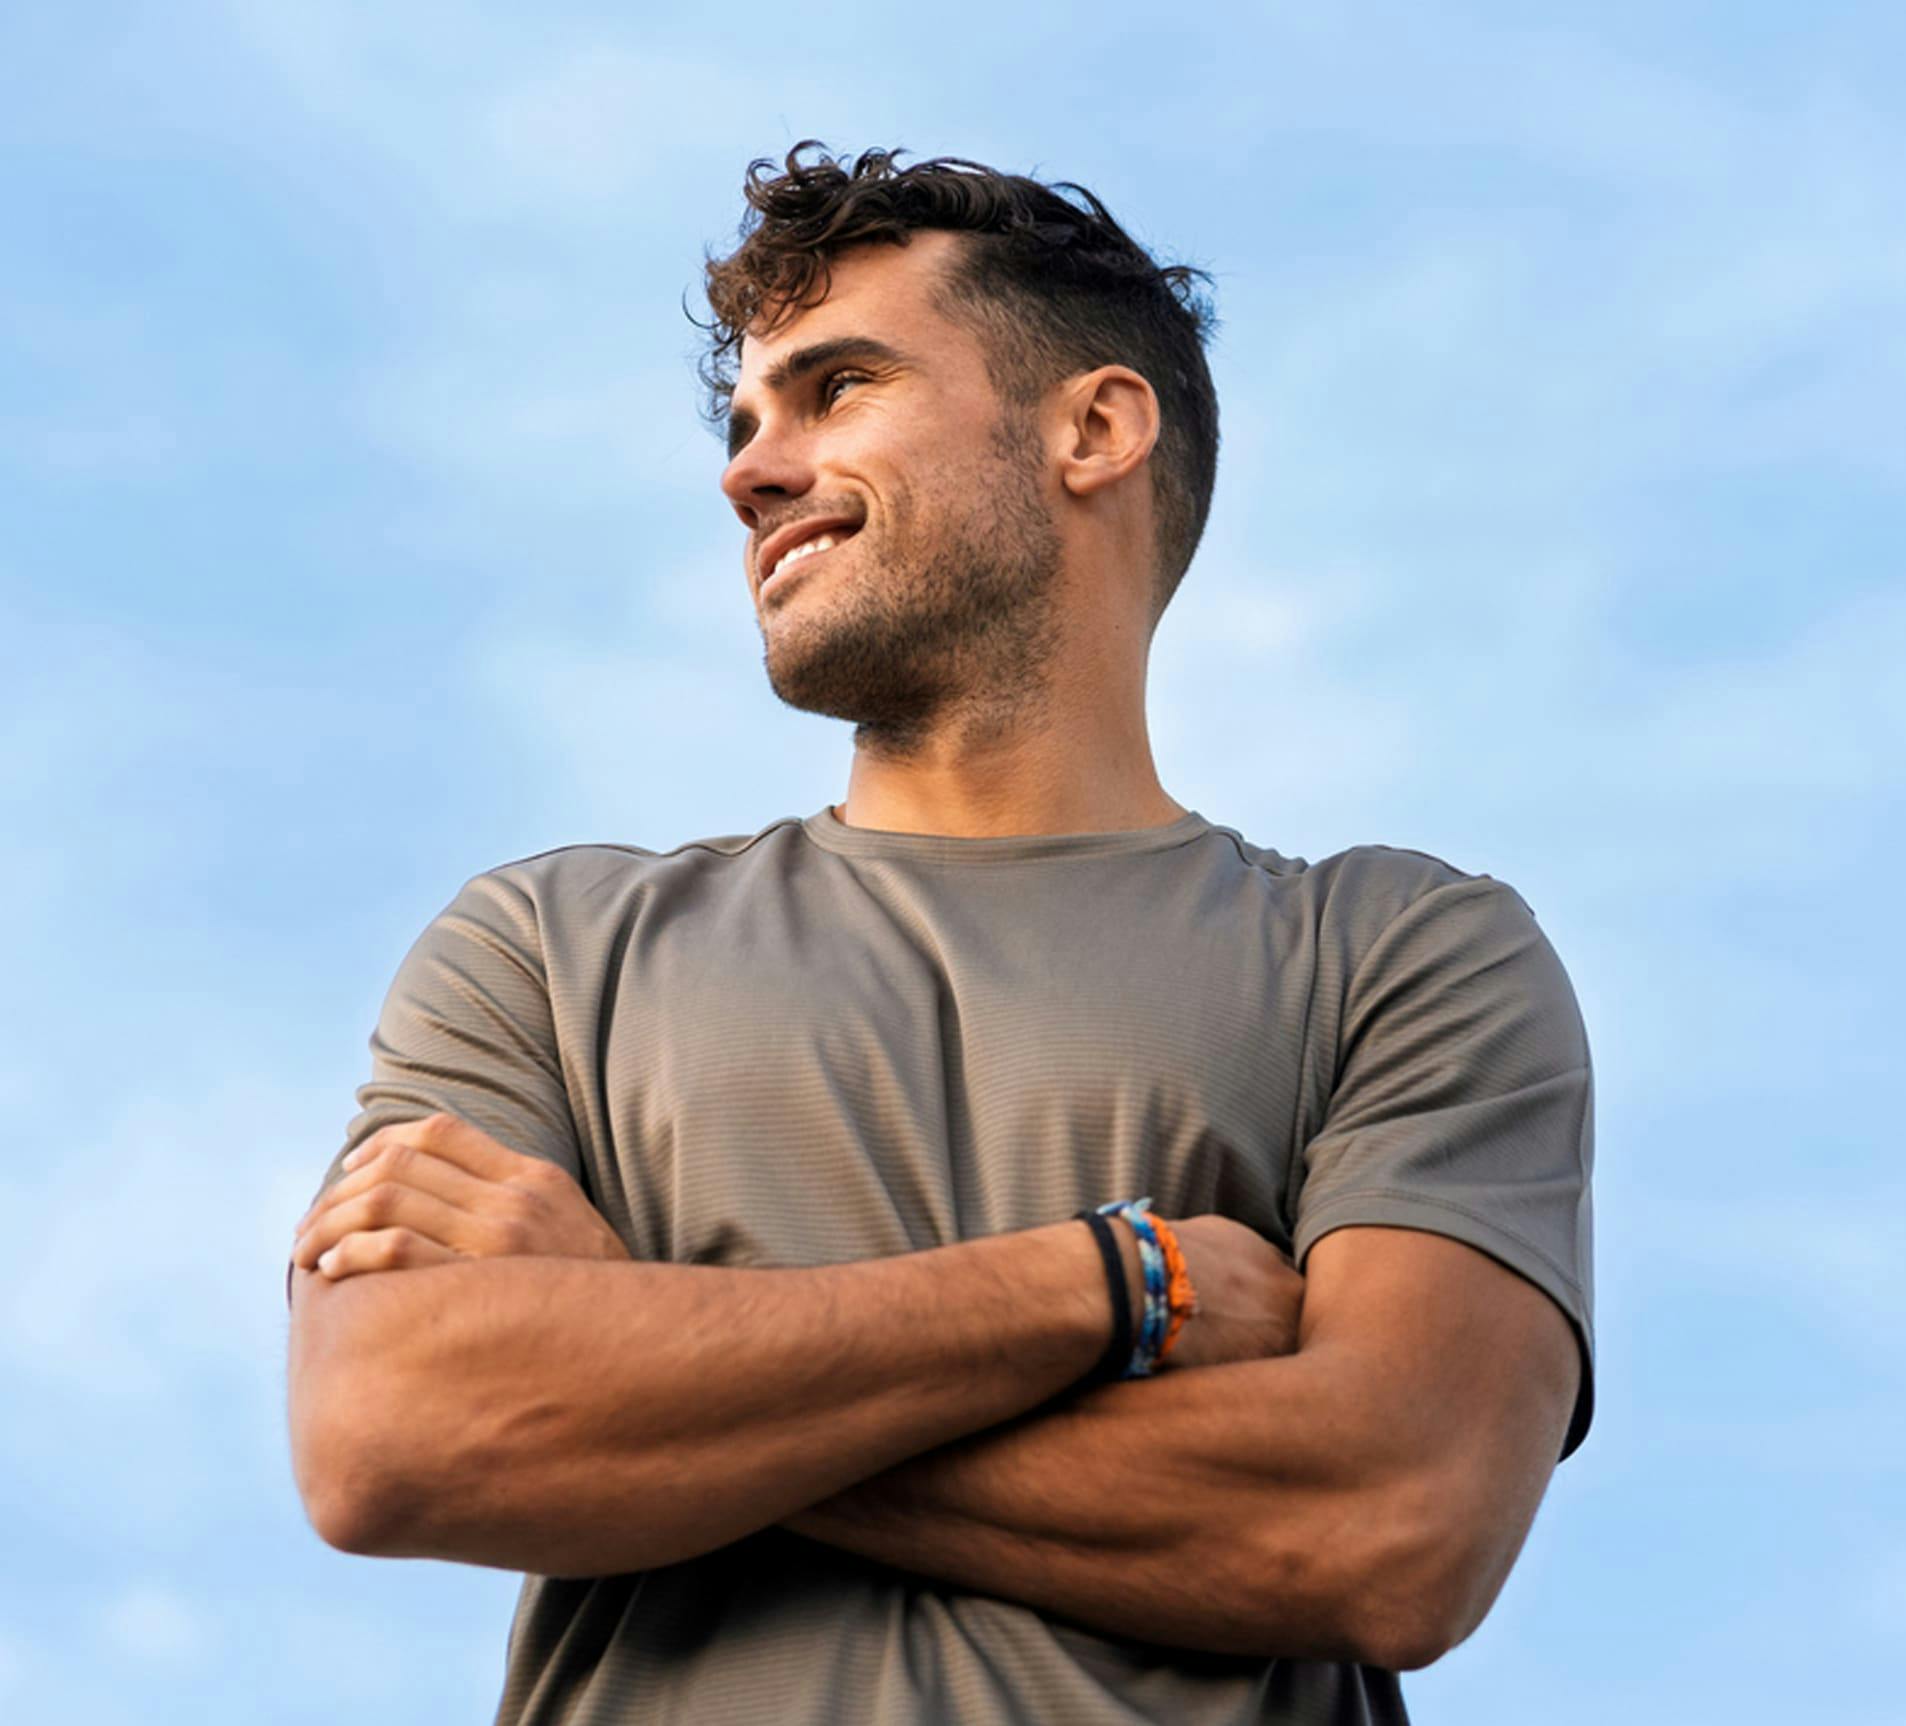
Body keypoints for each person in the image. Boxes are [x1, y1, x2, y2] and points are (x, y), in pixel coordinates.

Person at [285, 142, 1595, 1726]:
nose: (748, 474)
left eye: (836, 388)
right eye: (743, 423)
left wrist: (641, 1347)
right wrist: (1113, 1283)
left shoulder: (1398, 952)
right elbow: (392, 1434)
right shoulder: (548, 948)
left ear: (1093, 429)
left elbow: (1388, 1527)